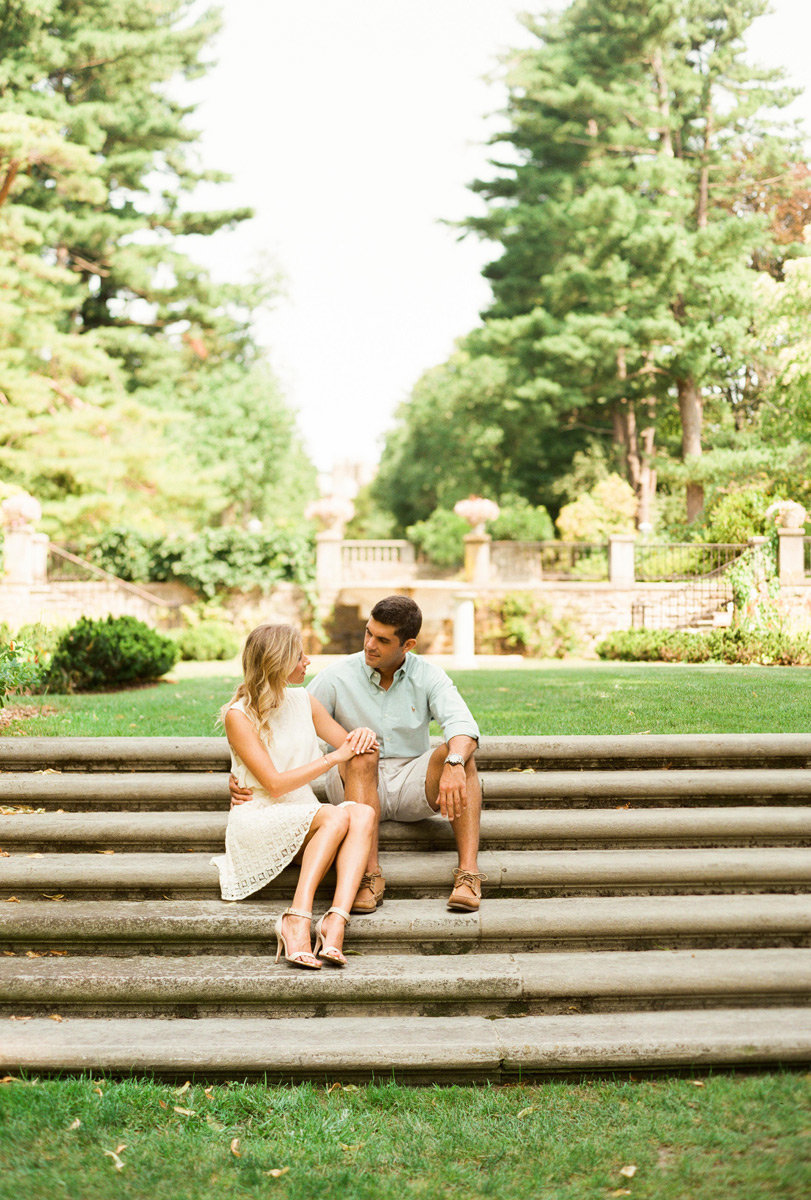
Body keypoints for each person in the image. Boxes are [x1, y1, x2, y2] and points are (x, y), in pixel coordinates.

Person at [229, 596, 486, 913]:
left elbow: (462, 724)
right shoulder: (337, 676)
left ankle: (468, 874)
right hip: (354, 781)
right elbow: (282, 721)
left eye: (382, 640)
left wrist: (454, 762)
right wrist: (245, 775)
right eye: (368, 633)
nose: (369, 645)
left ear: (407, 645)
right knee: (364, 753)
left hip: (412, 784)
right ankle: (368, 875)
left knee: (460, 752)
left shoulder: (429, 675)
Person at [212, 623, 377, 969]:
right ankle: (297, 917)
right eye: (299, 655)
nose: (308, 660)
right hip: (257, 816)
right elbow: (273, 785)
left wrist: (361, 733)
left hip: (303, 813)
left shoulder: (304, 701)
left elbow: (349, 745)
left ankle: (335, 921)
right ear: (278, 662)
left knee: (362, 814)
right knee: (335, 815)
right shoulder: (238, 715)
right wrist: (332, 757)